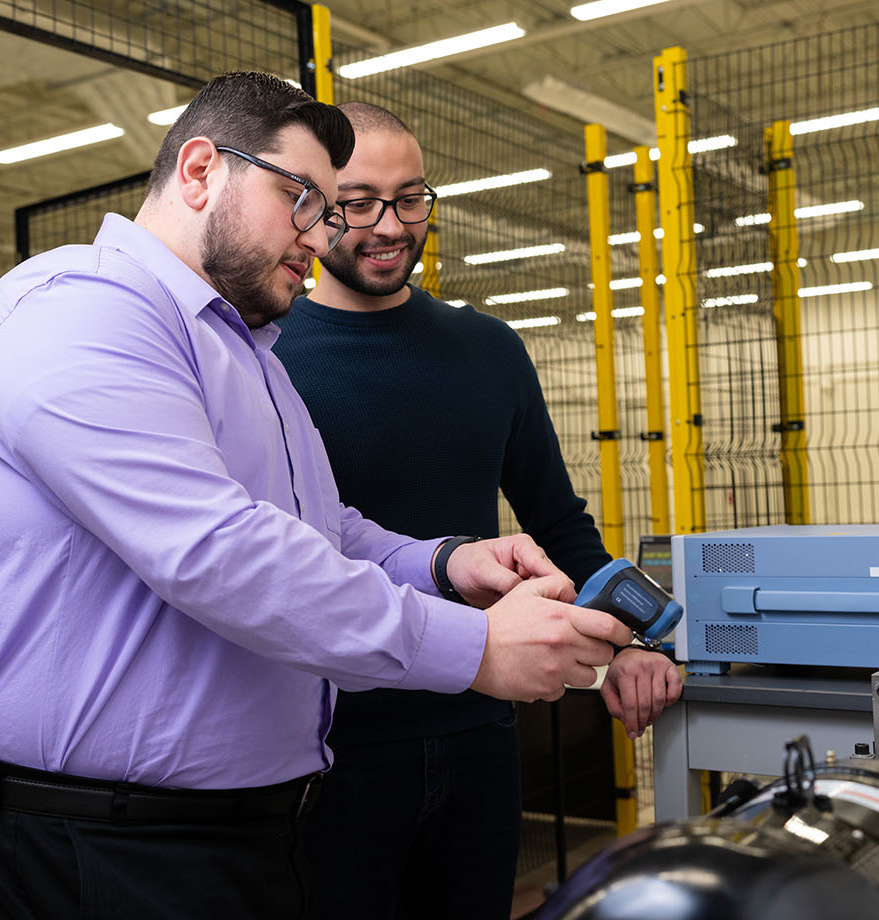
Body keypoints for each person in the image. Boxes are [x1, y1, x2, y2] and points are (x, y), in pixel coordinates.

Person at [0, 72, 634, 920]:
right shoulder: (83, 311)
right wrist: (472, 647)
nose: (321, 235)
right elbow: (218, 551)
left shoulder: (243, 349)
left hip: (223, 836)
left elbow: (323, 529)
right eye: (304, 200)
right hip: (85, 844)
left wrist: (444, 563)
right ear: (200, 170)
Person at [272, 101, 684, 920]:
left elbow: (556, 524)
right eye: (360, 203)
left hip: (480, 731)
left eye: (410, 198)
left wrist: (634, 640)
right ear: (315, 208)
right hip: (324, 750)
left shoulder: (489, 349)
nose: (391, 226)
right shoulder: (266, 355)